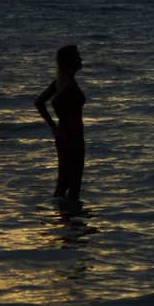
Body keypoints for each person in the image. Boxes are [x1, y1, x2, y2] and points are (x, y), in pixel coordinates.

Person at [34, 43, 86, 206]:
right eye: (78, 56)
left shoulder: (59, 82)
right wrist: (53, 126)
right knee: (74, 182)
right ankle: (73, 222)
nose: (81, 59)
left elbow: (39, 102)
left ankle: (62, 218)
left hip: (62, 135)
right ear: (71, 61)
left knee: (63, 181)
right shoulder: (68, 84)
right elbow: (39, 103)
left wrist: (53, 127)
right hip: (73, 136)